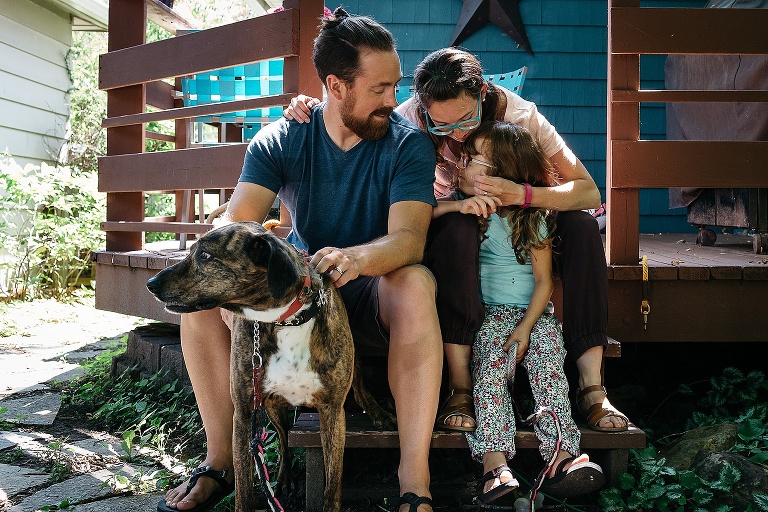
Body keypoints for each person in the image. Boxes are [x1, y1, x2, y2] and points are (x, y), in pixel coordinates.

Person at [159, 9, 441, 512]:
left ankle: (413, 477)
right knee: (202, 299)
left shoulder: (409, 145)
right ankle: (219, 463)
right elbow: (236, 220)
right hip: (296, 299)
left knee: (416, 282)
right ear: (336, 85)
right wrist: (226, 282)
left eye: (395, 86)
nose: (393, 100)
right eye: (379, 89)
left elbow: (409, 239)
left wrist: (357, 257)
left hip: (368, 288)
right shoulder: (283, 138)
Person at [285, 47, 629, 434]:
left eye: (466, 120)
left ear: (483, 91)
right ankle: (460, 385)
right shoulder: (409, 120)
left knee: (582, 227)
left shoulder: (519, 116)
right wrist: (313, 108)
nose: (459, 134)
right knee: (458, 230)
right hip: (453, 228)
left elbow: (588, 193)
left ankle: (591, 386)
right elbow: (354, 131)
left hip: (524, 226)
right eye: (443, 126)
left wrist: (521, 195)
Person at [435, 121, 604, 504]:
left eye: (475, 160)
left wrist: (527, 329)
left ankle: (564, 455)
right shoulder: (473, 214)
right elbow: (424, 214)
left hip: (534, 316)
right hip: (491, 315)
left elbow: (544, 282)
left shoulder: (536, 218)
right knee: (490, 373)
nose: (464, 165)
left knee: (549, 370)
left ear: (500, 175)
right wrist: (459, 204)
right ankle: (495, 466)